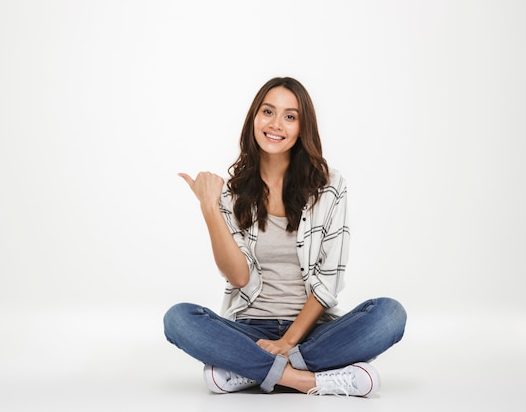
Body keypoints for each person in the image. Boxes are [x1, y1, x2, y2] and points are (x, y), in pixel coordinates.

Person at [163, 76, 406, 396]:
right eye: (268, 112)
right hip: (249, 329)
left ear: (302, 128)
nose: (276, 124)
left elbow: (328, 282)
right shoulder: (232, 194)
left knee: (389, 314)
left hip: (315, 331)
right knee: (178, 319)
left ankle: (247, 370)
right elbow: (238, 276)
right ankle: (308, 379)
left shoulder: (329, 186)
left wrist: (287, 342)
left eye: (290, 116)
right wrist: (209, 207)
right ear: (254, 118)